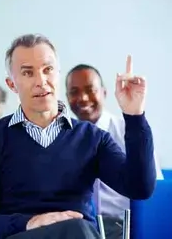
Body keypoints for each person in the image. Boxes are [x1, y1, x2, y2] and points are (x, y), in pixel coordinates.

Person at [0, 34, 156, 239]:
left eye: (48, 70)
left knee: (77, 229)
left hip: (80, 235)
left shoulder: (92, 138)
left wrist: (135, 116)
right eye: (28, 73)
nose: (41, 81)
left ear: (58, 73)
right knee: (76, 229)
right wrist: (30, 223)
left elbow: (140, 188)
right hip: (24, 236)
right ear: (11, 84)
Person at [65, 64, 164, 239]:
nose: (83, 97)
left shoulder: (131, 130)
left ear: (103, 93)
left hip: (124, 227)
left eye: (90, 89)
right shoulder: (65, 136)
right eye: (74, 92)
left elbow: (153, 187)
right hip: (81, 227)